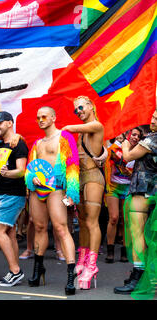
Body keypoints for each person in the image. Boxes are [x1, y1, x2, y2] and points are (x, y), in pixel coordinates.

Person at [25, 106, 79, 295]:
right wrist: (31, 178)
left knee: (61, 228)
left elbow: (73, 165)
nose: (40, 120)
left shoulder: (64, 138)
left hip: (56, 188)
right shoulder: (37, 143)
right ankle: (38, 269)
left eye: (44, 117)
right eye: (38, 117)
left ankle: (71, 275)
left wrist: (72, 193)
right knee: (38, 227)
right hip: (37, 191)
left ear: (54, 117)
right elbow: (29, 169)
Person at [62, 96, 105, 290]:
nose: (78, 111)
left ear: (90, 106)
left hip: (94, 177)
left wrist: (60, 130)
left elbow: (69, 129)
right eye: (75, 110)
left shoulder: (96, 125)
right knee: (83, 222)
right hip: (79, 179)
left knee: (92, 221)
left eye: (80, 107)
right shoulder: (82, 133)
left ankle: (92, 265)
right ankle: (83, 257)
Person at [114, 109, 157, 295]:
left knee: (138, 234)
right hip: (150, 190)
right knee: (148, 237)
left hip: (144, 190)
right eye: (153, 117)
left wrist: (123, 143)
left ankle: (138, 278)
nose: (153, 120)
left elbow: (128, 156)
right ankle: (149, 278)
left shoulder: (152, 139)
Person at [0, 111, 28, 287]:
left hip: (12, 195)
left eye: (0, 123)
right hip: (1, 193)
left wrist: (6, 173)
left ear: (10, 123)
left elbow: (21, 170)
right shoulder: (0, 143)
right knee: (10, 234)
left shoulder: (18, 143)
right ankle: (15, 270)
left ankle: (15, 271)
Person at [104, 128, 143, 263]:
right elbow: (105, 156)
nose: (135, 137)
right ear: (127, 135)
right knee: (114, 218)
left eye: (138, 136)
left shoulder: (140, 151)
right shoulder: (115, 148)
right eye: (133, 134)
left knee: (125, 221)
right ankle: (110, 251)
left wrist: (130, 174)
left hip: (128, 188)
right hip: (113, 187)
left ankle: (124, 251)